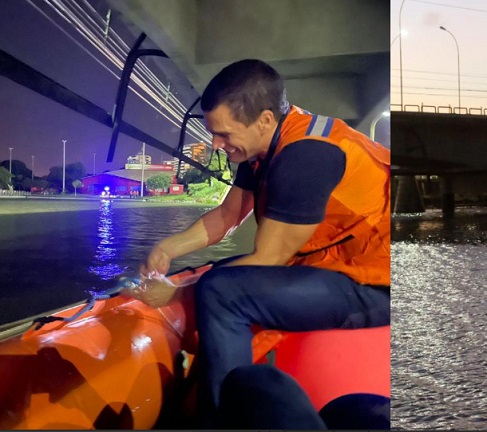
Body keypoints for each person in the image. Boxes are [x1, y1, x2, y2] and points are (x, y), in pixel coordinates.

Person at [126, 59, 390, 427]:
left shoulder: (305, 157)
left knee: (220, 290)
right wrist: (168, 248)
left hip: (374, 285)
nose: (216, 145)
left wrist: (175, 296)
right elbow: (229, 214)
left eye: (224, 135)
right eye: (213, 133)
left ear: (264, 120)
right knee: (220, 275)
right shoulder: (263, 148)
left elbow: (269, 259)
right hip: (334, 268)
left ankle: (219, 420)